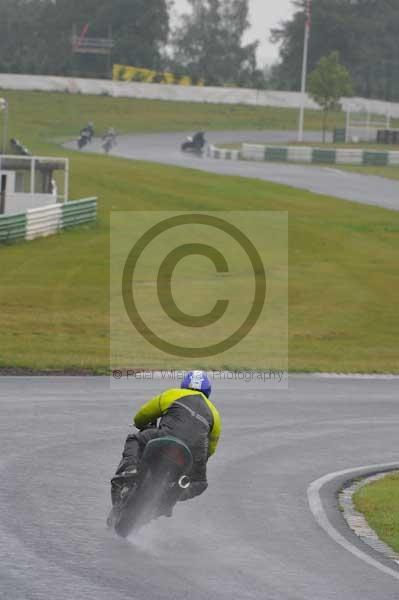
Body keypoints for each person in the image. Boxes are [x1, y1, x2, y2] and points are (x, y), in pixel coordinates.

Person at [110, 370, 221, 516]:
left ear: (184, 384)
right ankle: (169, 500)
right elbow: (211, 449)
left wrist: (140, 424)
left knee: (134, 439)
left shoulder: (173, 394)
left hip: (165, 437)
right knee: (200, 484)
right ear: (208, 391)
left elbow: (142, 415)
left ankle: (130, 468)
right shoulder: (215, 415)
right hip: (192, 453)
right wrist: (198, 462)